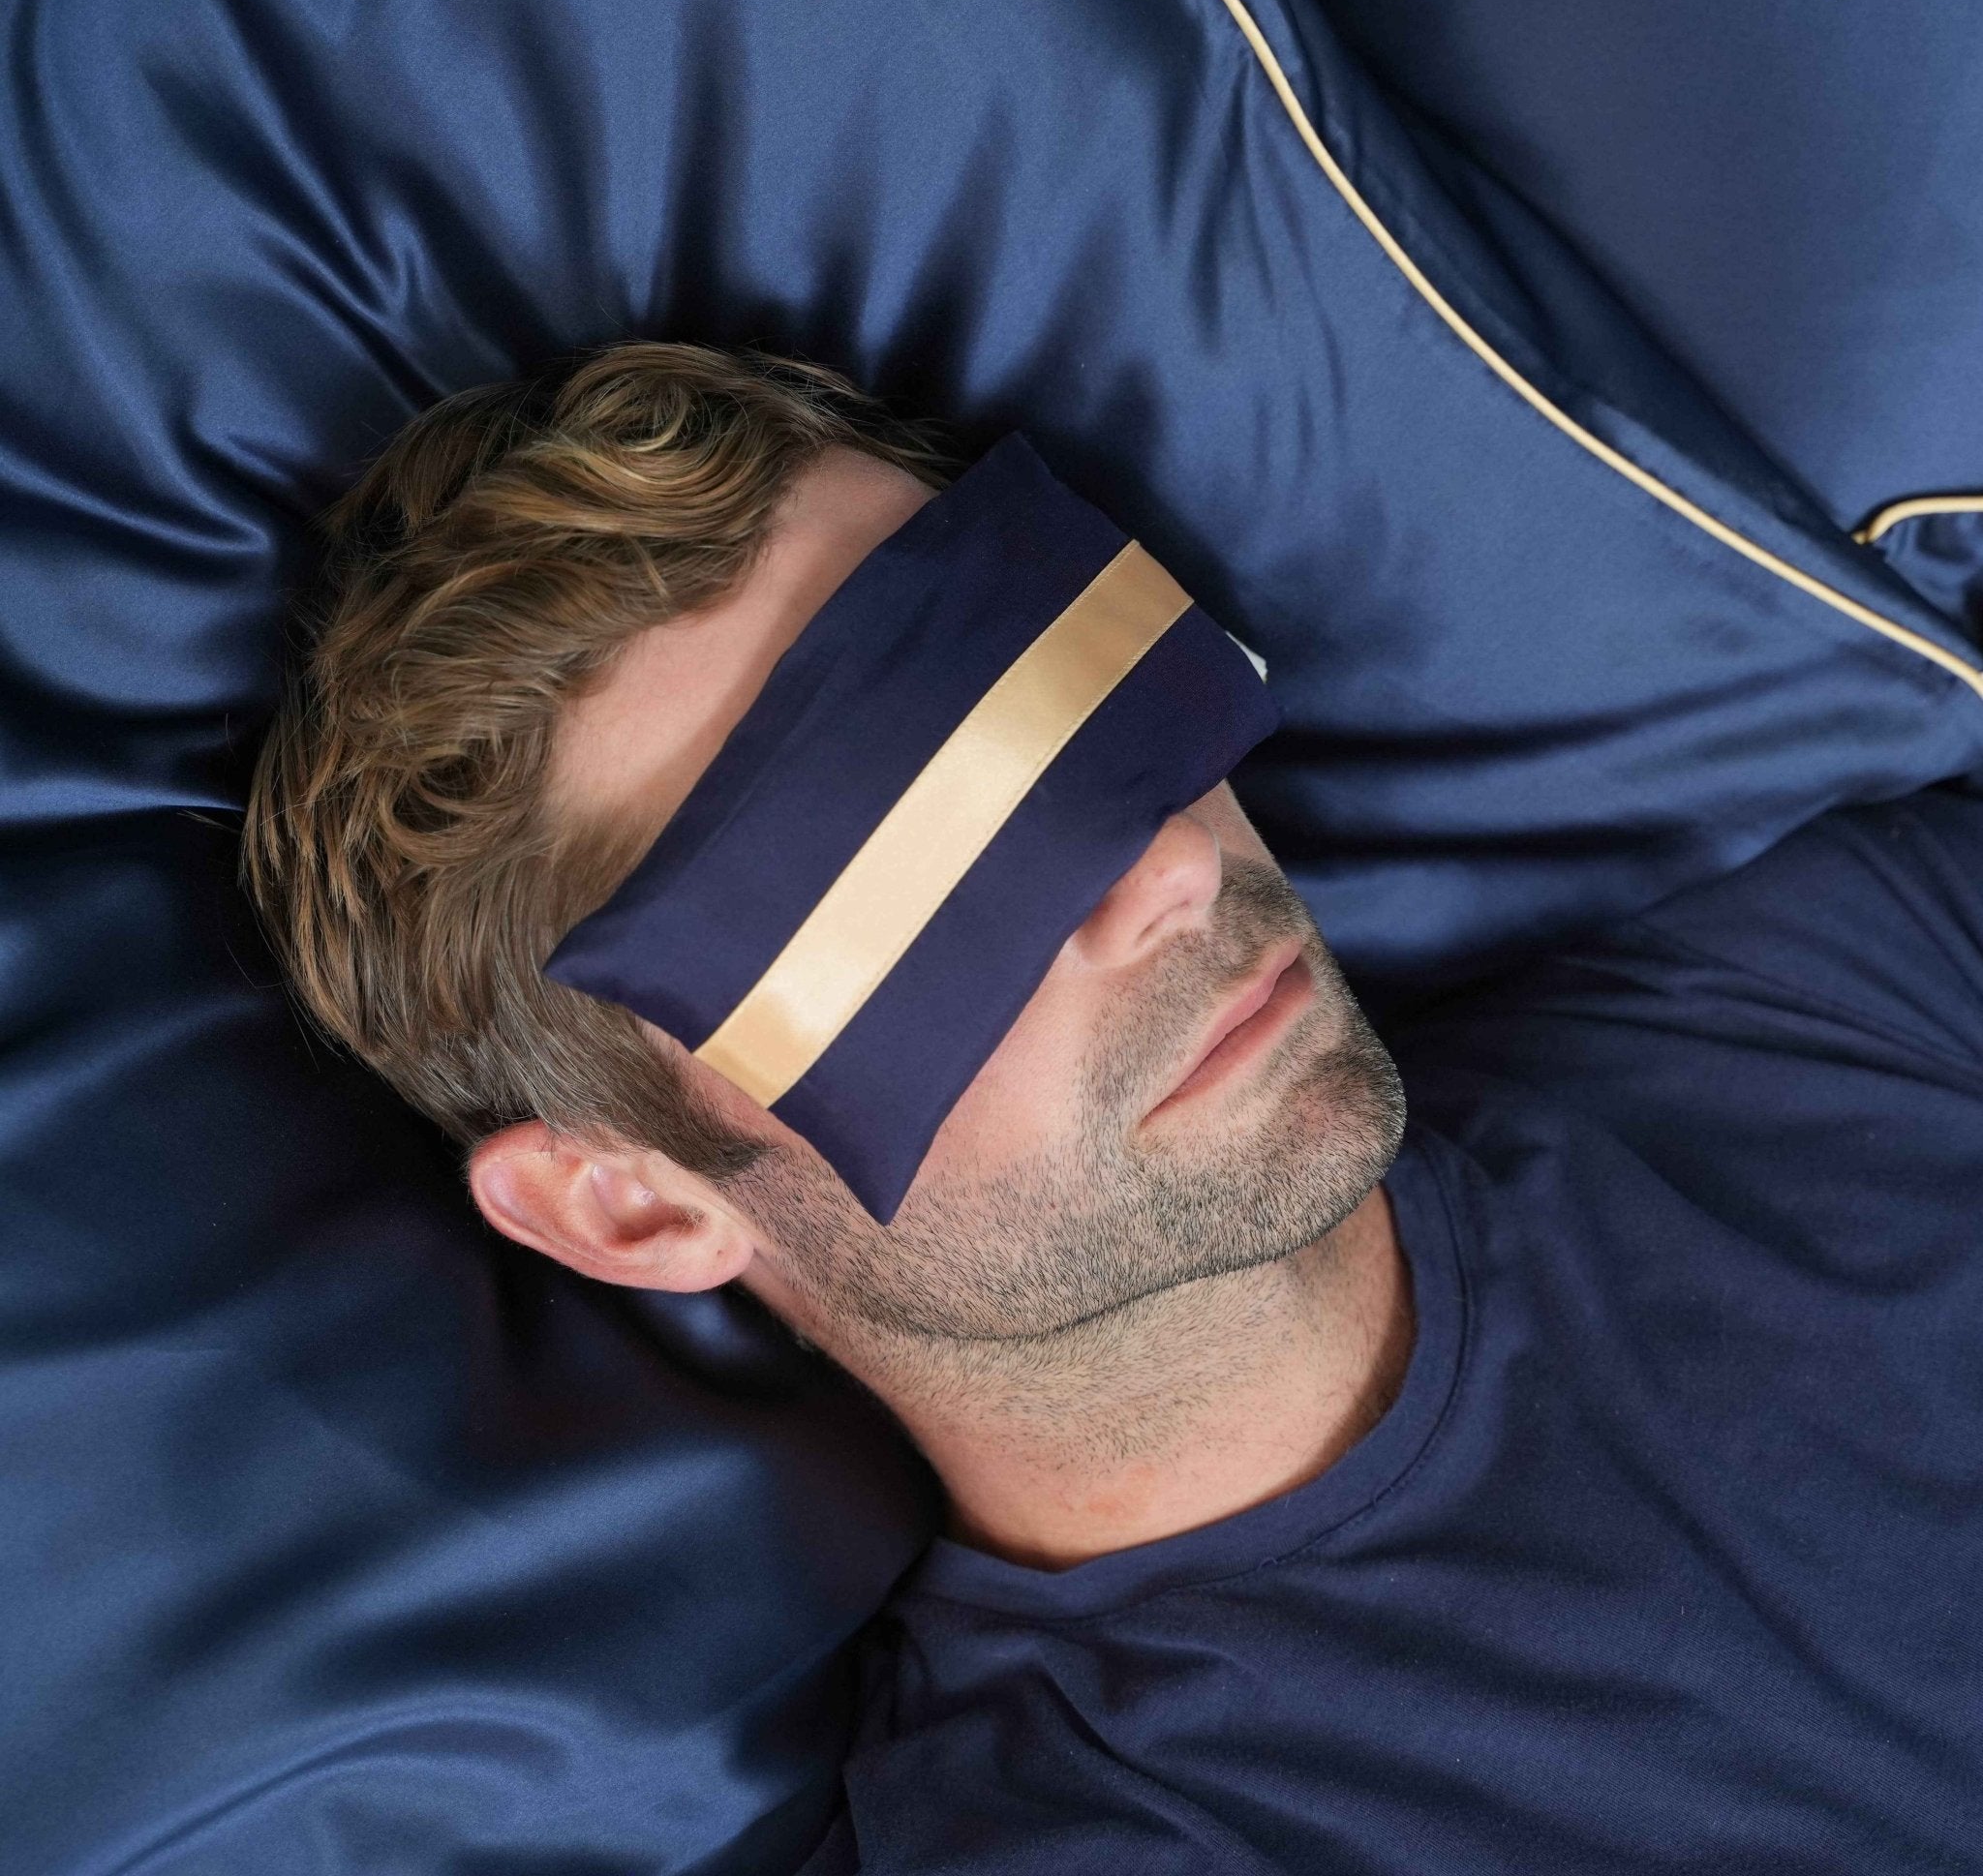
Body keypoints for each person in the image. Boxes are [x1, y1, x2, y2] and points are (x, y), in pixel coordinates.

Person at [243, 341, 1983, 1873]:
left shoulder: (1841, 989)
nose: (1167, 870)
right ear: (634, 1205)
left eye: (1080, 703)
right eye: (900, 900)